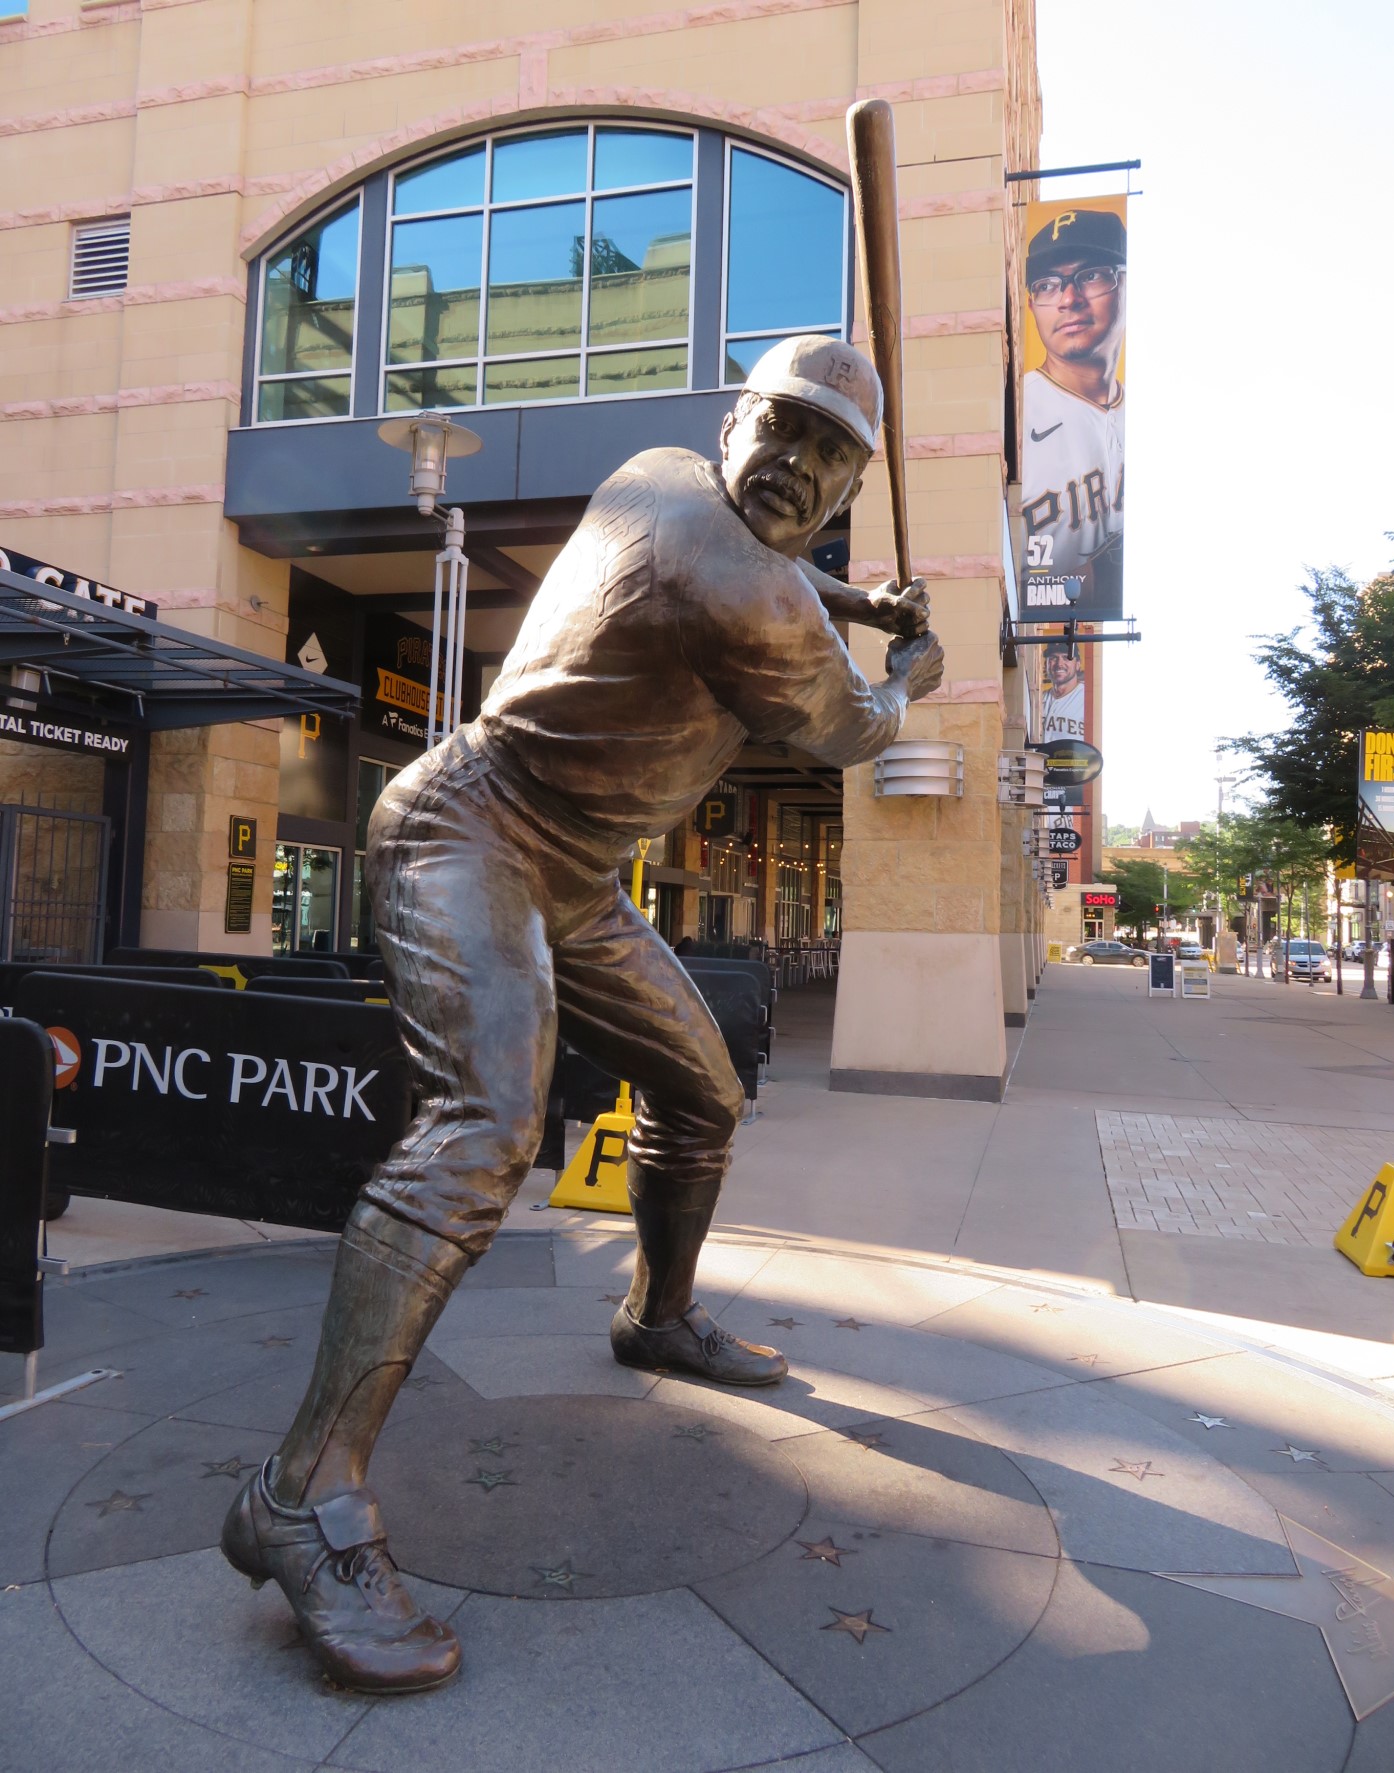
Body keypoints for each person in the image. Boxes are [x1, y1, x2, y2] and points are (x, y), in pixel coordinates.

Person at [222, 334, 944, 1694]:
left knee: (703, 1091)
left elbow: (784, 569)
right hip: (469, 832)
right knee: (485, 1127)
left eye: (829, 455)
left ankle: (656, 1315)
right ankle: (298, 1494)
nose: (796, 465)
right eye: (782, 429)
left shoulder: (658, 475)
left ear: (848, 488)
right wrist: (910, 664)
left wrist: (856, 597)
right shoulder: (747, 592)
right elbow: (851, 726)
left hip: (579, 877)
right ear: (734, 423)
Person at [1021, 206, 1126, 612]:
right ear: (1031, 304)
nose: (1068, 299)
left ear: (1124, 282)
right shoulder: (1017, 411)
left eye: (1091, 275)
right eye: (1047, 285)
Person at [1041, 639, 1085, 742]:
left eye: (1066, 658)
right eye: (1053, 658)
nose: (1059, 664)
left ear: (1077, 664)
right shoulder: (1039, 700)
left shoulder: (1087, 699)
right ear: (1046, 664)